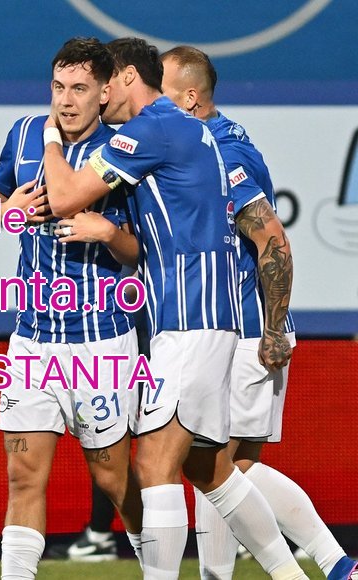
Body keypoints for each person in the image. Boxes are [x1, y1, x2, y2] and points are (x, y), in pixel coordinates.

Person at [39, 37, 306, 579]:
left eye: (104, 84)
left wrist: (51, 135)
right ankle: (301, 572)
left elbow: (63, 197)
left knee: (154, 464)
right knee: (211, 470)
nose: (99, 95)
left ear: (126, 79)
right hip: (207, 318)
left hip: (189, 317)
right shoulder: (189, 130)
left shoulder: (153, 129)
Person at [162, 45, 358, 580]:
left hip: (247, 330)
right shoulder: (206, 143)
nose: (153, 104)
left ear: (190, 97)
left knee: (216, 465)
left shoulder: (224, 152)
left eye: (163, 92)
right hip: (235, 327)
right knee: (227, 467)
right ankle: (335, 564)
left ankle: (334, 562)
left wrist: (272, 330)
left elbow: (272, 238)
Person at [0, 37, 143, 579]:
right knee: (23, 476)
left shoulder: (125, 148)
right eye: (58, 87)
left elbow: (141, 251)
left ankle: (160, 565)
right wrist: (5, 209)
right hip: (32, 339)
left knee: (112, 479)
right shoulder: (24, 133)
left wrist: (108, 234)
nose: (66, 100)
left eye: (79, 88)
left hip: (101, 341)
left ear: (104, 93)